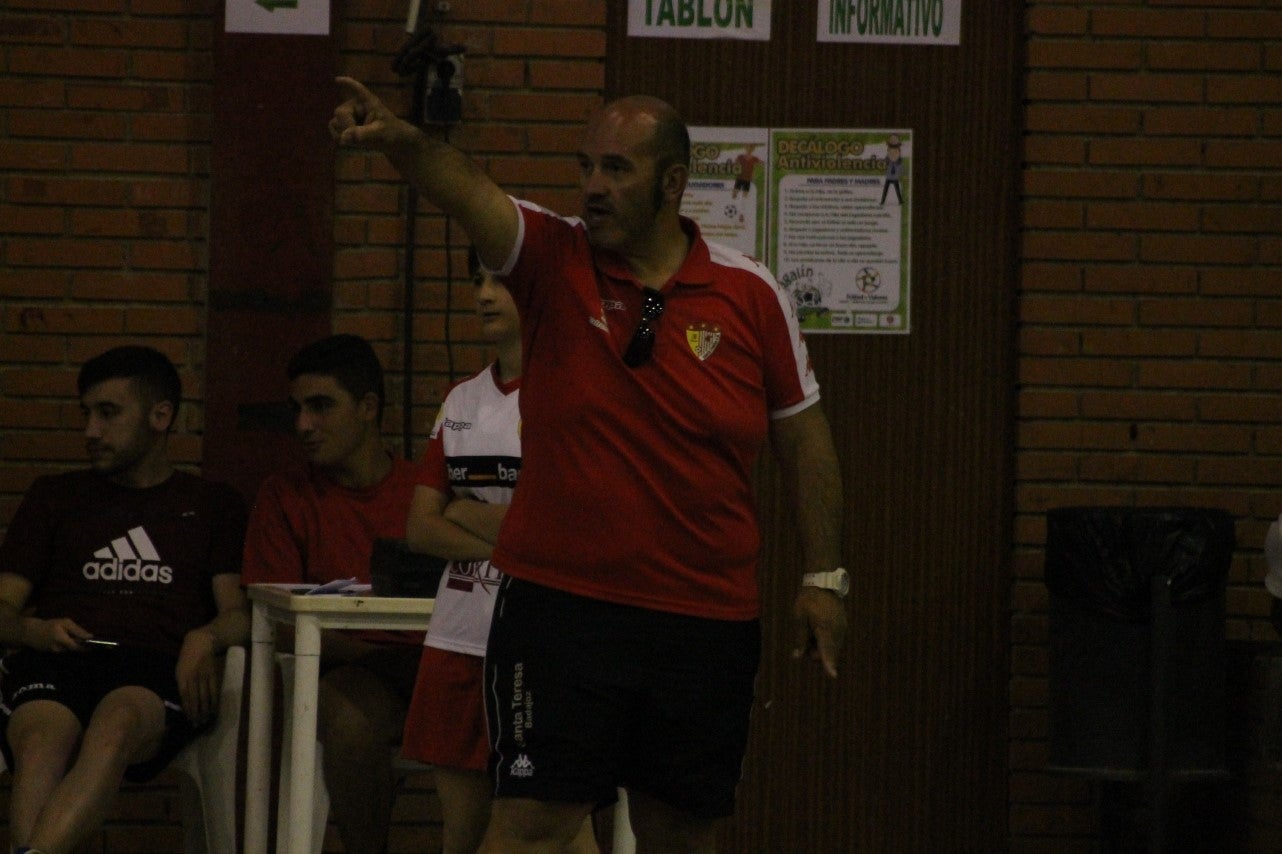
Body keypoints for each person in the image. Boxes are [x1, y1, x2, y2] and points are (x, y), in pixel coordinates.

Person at [331, 79, 849, 853]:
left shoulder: (750, 293)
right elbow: (470, 192)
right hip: (561, 615)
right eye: (586, 168)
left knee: (680, 831)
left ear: (673, 183)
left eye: (617, 170)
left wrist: (823, 579)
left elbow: (805, 441)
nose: (594, 188)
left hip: (704, 621)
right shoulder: (550, 258)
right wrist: (402, 140)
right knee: (532, 826)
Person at [0, 345, 249, 854]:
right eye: (86, 414)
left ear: (161, 415)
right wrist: (31, 630)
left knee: (117, 720)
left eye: (108, 413)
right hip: (58, 657)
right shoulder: (54, 496)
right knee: (42, 742)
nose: (91, 431)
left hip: (152, 668)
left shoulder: (211, 504)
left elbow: (239, 614)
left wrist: (204, 638)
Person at [400, 251, 597, 853]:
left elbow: (571, 527)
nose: (483, 294)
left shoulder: (575, 396)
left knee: (561, 829)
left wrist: (463, 510)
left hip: (545, 642)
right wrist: (515, 533)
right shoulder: (461, 402)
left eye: (500, 281)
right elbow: (420, 529)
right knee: (462, 833)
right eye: (476, 280)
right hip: (458, 637)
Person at [241, 334, 421, 854]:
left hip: (440, 668)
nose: (303, 426)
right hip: (346, 673)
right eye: (297, 409)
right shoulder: (284, 496)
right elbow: (277, 622)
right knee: (348, 716)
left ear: (368, 408)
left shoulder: (425, 493)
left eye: (321, 407)